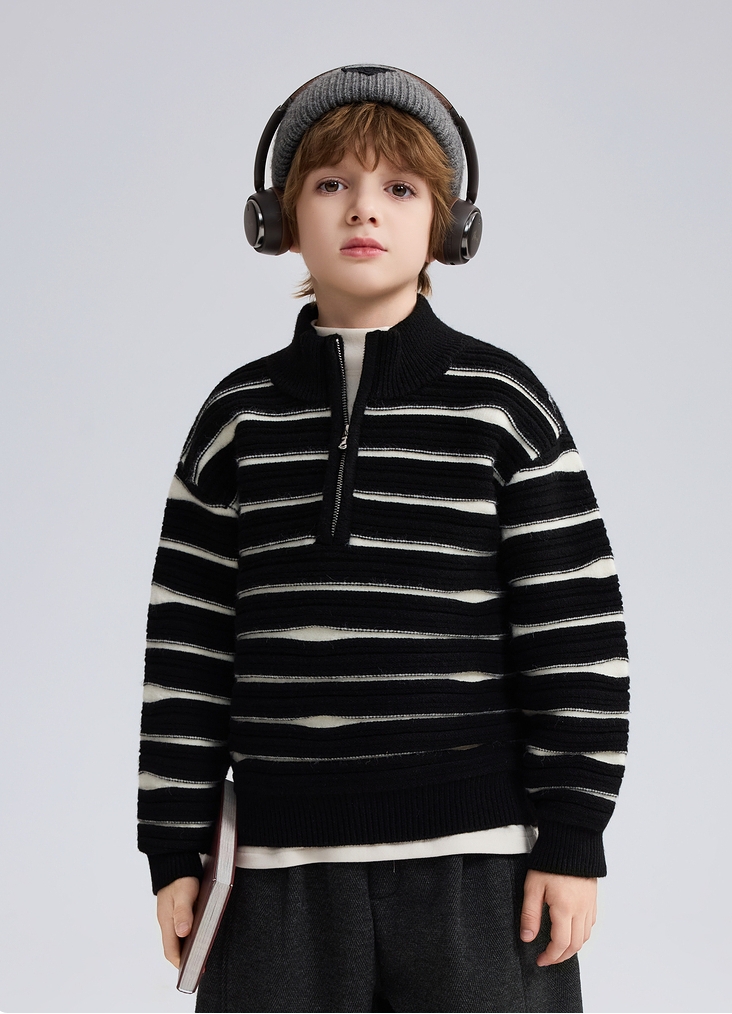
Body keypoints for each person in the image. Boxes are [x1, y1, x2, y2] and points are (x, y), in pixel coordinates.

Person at [138, 65, 629, 1013]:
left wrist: (573, 838)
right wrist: (173, 846)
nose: (364, 209)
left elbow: (574, 634)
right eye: (332, 183)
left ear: (448, 223)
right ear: (279, 218)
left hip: (479, 873)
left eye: (400, 188)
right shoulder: (237, 418)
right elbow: (187, 649)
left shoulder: (502, 407)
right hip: (275, 875)